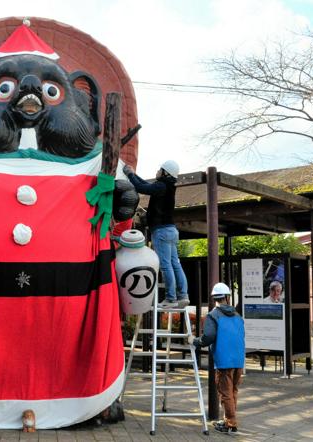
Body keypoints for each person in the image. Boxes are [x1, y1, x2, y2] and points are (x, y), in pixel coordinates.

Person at [124, 160, 189, 308]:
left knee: (166, 265)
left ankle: (171, 298)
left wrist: (129, 174)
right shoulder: (167, 186)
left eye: (160, 169)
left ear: (165, 172)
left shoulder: (161, 186)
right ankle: (183, 295)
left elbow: (141, 187)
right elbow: (146, 186)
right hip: (172, 230)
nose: (158, 171)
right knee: (175, 264)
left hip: (161, 231)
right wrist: (133, 175)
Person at [191, 282, 245, 433]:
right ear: (227, 297)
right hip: (239, 360)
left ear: (214, 298)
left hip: (223, 360)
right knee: (233, 391)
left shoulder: (213, 315)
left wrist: (195, 341)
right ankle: (229, 420)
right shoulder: (237, 315)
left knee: (225, 393)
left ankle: (231, 423)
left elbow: (208, 337)